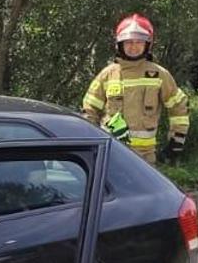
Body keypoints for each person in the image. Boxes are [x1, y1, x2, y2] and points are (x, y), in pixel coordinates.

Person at [80, 13, 189, 164]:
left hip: (145, 159)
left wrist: (175, 144)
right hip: (111, 155)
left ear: (148, 45)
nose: (133, 47)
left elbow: (178, 108)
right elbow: (89, 110)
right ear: (120, 44)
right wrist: (91, 142)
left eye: (139, 42)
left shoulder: (159, 75)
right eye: (128, 42)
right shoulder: (108, 74)